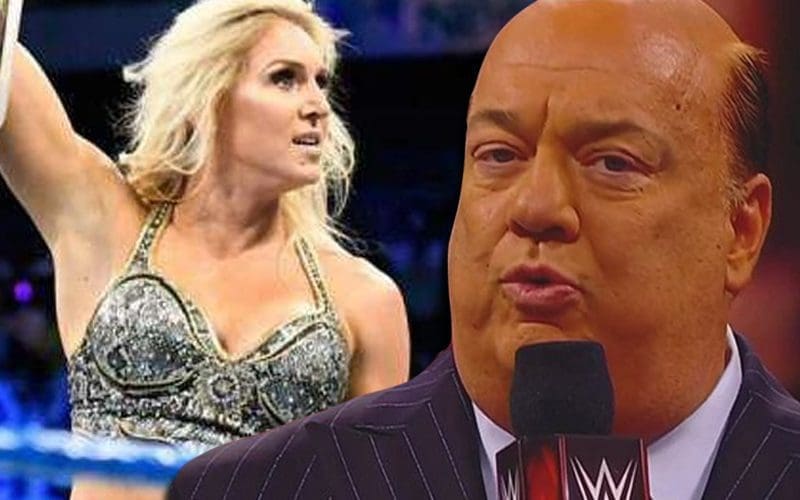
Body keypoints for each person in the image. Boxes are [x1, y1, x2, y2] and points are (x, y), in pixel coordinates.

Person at [167, 0, 800, 499]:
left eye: (613, 162)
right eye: (499, 155)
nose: (535, 207)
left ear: (741, 231)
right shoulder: (253, 490)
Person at [0, 0, 410, 496]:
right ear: (208, 93)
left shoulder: (365, 300)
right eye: (284, 78)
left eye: (320, 82)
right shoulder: (105, 224)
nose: (317, 106)